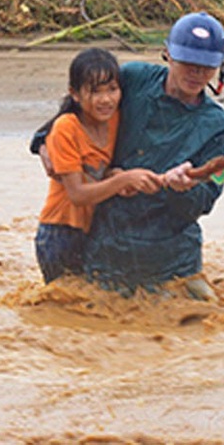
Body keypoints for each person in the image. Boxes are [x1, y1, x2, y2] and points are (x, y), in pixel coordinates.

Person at [34, 47, 163, 284]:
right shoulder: (66, 128)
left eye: (112, 90)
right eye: (95, 92)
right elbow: (78, 195)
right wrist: (123, 180)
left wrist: (114, 175)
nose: (105, 100)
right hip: (59, 233)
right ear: (75, 94)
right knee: (64, 306)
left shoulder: (114, 120)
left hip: (93, 230)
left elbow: (98, 174)